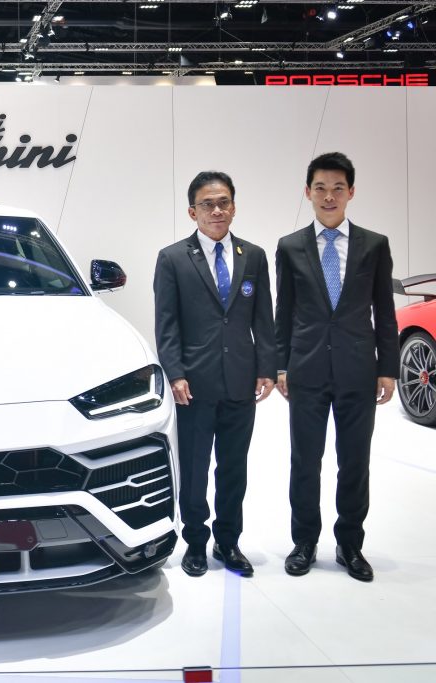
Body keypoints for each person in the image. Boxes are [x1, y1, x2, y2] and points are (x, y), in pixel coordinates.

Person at [275, 152, 398, 582]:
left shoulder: (375, 245)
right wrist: (281, 365)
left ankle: (350, 544)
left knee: (355, 463)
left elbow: (385, 311)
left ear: (351, 192)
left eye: (338, 188)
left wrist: (388, 368)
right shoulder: (290, 246)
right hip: (306, 370)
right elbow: (284, 311)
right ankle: (304, 542)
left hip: (358, 371)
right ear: (308, 192)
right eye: (321, 188)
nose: (329, 196)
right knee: (305, 462)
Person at [153, 171, 276, 578]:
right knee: (194, 468)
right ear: (193, 211)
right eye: (208, 204)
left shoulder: (253, 256)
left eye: (224, 202)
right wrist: (175, 373)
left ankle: (228, 541)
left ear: (234, 207)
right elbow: (167, 324)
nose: (217, 210)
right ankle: (195, 542)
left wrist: (266, 367)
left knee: (234, 468)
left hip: (241, 381)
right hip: (194, 385)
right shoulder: (172, 258)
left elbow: (264, 317)